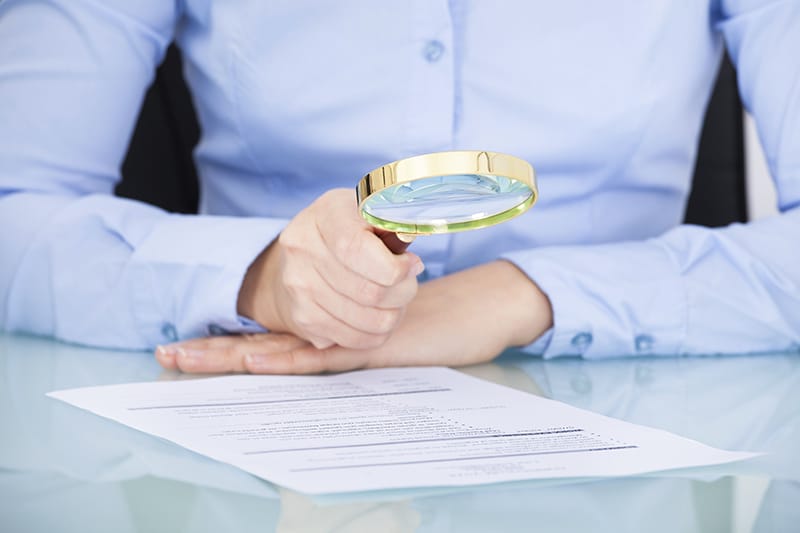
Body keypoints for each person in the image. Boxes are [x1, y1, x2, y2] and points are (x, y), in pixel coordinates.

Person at [0, 1, 798, 375]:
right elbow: (13, 209)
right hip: (258, 412)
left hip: (627, 418)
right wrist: (257, 273)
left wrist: (518, 296)